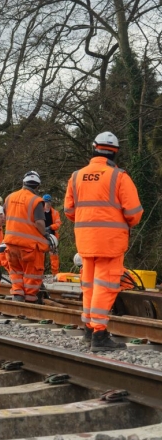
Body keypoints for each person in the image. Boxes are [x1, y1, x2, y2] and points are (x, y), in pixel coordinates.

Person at [64, 131, 143, 352]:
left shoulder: (76, 176)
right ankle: (99, 333)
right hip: (110, 243)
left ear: (94, 148)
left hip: (86, 242)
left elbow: (69, 210)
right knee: (105, 287)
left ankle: (89, 329)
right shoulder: (119, 177)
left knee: (88, 284)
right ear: (115, 153)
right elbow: (134, 213)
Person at [3, 171, 57, 303]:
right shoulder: (36, 201)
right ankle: (30, 300)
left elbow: (5, 216)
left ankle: (17, 295)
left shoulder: (9, 197)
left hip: (10, 243)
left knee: (16, 271)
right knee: (31, 273)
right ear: (37, 187)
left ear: (23, 183)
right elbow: (39, 222)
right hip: (29, 246)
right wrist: (44, 234)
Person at [42, 194, 62, 275]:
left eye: (49, 202)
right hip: (41, 237)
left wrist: (50, 227)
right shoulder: (39, 212)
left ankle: (55, 274)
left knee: (54, 258)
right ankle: (40, 274)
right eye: (46, 202)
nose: (48, 204)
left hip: (52, 238)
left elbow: (58, 224)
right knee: (40, 257)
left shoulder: (55, 212)